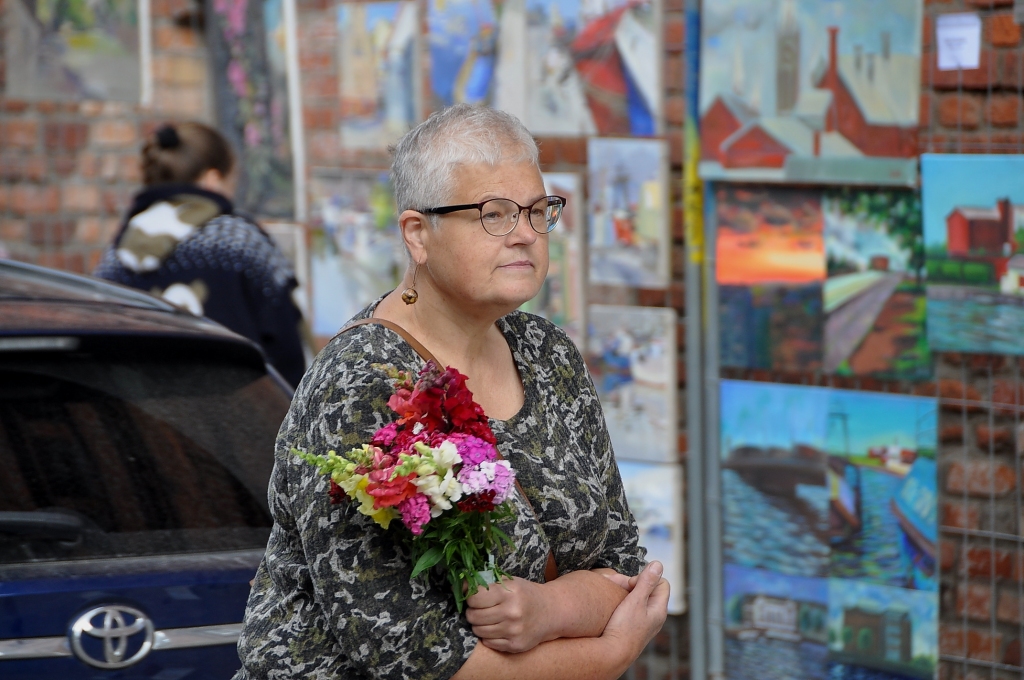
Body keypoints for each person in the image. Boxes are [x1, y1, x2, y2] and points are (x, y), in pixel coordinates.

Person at [234, 104, 669, 679]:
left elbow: (626, 572)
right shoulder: (363, 385)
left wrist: (549, 608)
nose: (525, 234)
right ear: (418, 234)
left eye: (539, 211)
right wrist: (608, 654)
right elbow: (412, 658)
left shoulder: (547, 353)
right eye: (493, 214)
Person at [93, 121, 306, 387]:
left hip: (145, 418)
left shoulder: (117, 253)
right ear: (212, 179)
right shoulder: (240, 240)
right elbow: (286, 341)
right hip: (242, 414)